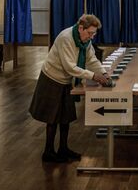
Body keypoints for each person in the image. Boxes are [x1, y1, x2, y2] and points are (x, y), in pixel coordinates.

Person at [29, 14, 110, 163]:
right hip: (51, 78)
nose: (91, 37)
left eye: (94, 34)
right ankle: (48, 152)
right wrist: (94, 76)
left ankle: (63, 149)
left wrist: (104, 73)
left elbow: (91, 59)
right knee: (52, 118)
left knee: (65, 117)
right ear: (81, 28)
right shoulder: (66, 37)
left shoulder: (85, 41)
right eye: (90, 33)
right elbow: (69, 67)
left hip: (66, 81)